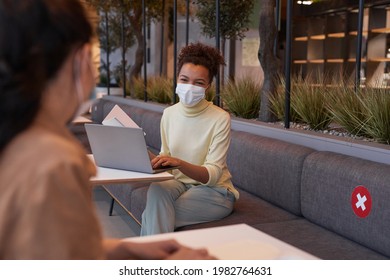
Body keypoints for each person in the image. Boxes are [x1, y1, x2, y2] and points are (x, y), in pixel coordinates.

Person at [0, 0, 214, 260]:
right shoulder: (54, 163)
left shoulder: (16, 141)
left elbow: (49, 254)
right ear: (81, 60)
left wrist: (122, 248)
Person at [141, 42, 239, 236]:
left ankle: (148, 263)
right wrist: (142, 154)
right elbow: (165, 158)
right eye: (184, 80)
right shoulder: (169, 114)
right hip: (177, 184)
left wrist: (179, 163)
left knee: (154, 214)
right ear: (177, 79)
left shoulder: (220, 118)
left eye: (198, 83)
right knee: (156, 190)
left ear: (208, 86)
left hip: (214, 192)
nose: (189, 87)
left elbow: (212, 175)